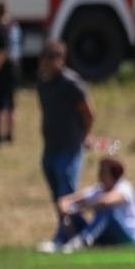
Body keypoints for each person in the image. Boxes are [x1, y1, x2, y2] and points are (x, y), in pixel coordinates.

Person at [34, 41, 94, 248]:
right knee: (57, 195)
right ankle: (80, 231)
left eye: (52, 58)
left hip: (70, 148)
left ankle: (65, 236)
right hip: (50, 147)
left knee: (66, 194)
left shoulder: (71, 83)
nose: (47, 63)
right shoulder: (42, 84)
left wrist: (85, 136)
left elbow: (88, 113)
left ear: (61, 59)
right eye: (45, 57)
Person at [53, 156, 135, 250]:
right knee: (72, 215)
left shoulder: (124, 187)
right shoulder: (99, 189)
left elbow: (106, 201)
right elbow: (69, 199)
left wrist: (79, 209)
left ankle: (84, 240)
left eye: (103, 171)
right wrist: (65, 206)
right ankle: (58, 242)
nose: (99, 174)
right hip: (108, 235)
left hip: (130, 236)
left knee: (106, 209)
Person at [0, 0, 21, 144]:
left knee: (0, 104)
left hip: (2, 71)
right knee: (11, 103)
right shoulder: (14, 27)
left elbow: (1, 51)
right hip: (14, 69)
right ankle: (10, 134)